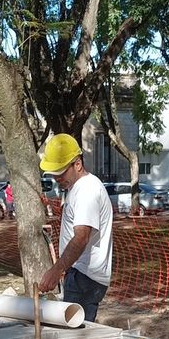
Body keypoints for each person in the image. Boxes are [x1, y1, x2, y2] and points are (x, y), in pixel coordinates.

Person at [35, 134, 113, 322]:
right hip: (80, 274)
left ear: (77, 164)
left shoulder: (87, 191)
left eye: (61, 172)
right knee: (74, 336)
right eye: (54, 173)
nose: (57, 178)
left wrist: (56, 270)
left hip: (84, 277)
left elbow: (81, 238)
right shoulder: (78, 188)